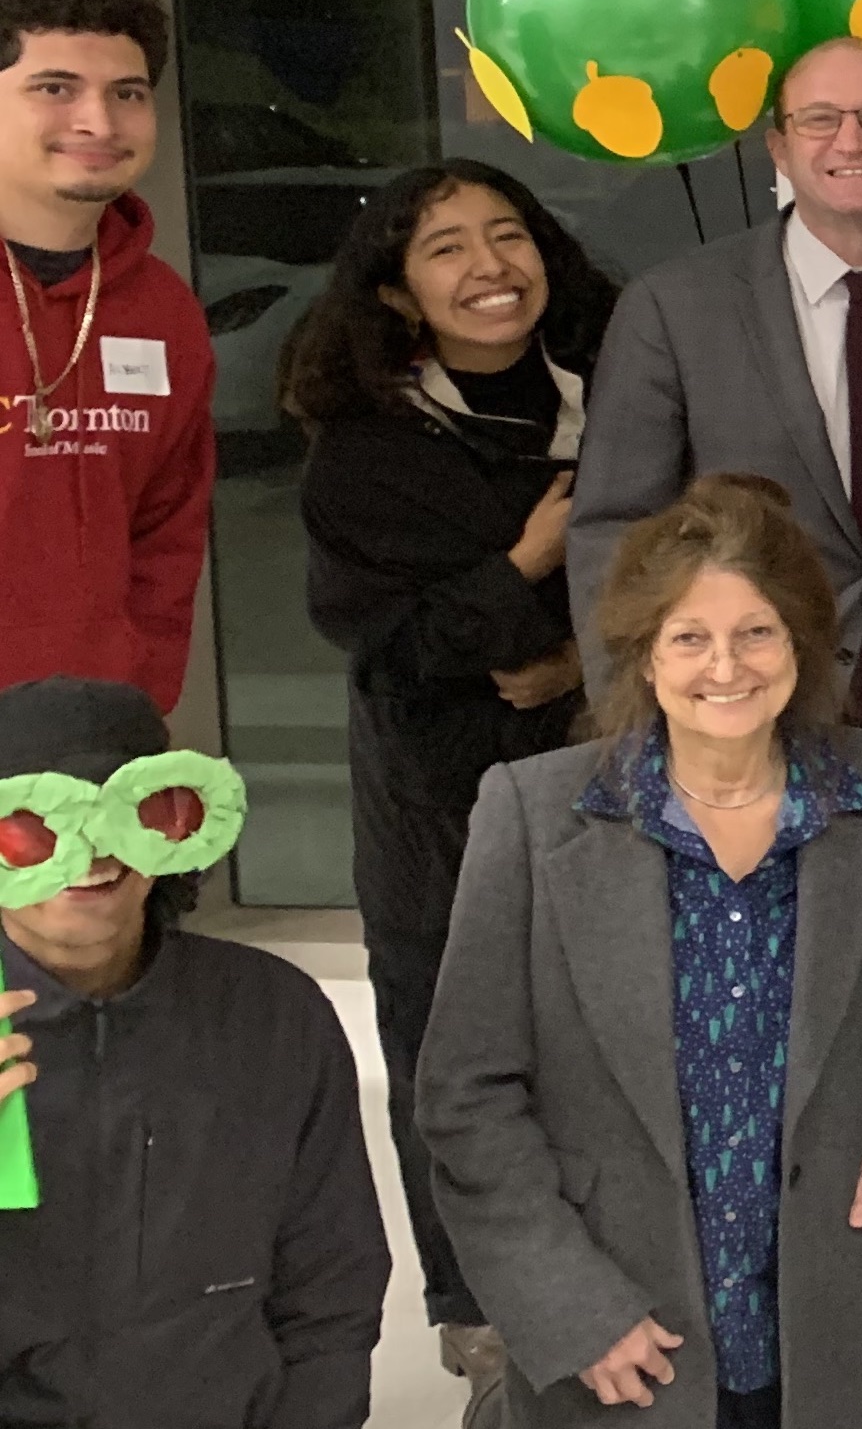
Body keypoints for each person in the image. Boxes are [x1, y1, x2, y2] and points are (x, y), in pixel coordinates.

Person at [422, 472, 862, 1428]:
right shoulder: (531, 813)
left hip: (846, 1316)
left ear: (801, 643)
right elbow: (467, 1094)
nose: (726, 666)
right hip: (625, 1330)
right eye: (689, 637)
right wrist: (572, 1307)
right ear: (644, 654)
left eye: (757, 631)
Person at [282, 156, 618, 1391]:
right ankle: (477, 1308)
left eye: (507, 234)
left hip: (601, 758)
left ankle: (611, 1271)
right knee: (450, 1048)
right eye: (447, 248)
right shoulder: (367, 451)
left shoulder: (613, 398)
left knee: (603, 1027)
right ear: (398, 292)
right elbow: (386, 642)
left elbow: (682, 562)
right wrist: (525, 568)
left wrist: (580, 657)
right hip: (439, 796)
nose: (490, 267)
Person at [570, 36, 862, 779]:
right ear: (780, 149)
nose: (851, 141)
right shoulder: (675, 306)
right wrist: (638, 729)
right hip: (734, 720)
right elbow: (614, 530)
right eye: (820, 118)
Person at [0, 677, 389, 1427]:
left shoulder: (272, 1016)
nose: (93, 851)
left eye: (132, 815)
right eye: (34, 829)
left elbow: (332, 1282)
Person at [0, 0, 212, 709]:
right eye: (55, 88)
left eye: (127, 93)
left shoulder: (163, 310)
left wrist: (138, 706)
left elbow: (167, 539)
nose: (99, 122)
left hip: (97, 734)